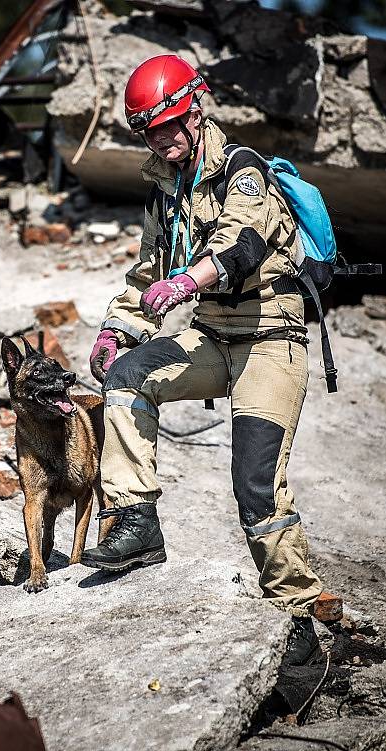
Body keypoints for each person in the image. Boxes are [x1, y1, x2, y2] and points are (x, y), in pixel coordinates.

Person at [81, 54, 323, 665]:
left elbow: (239, 244)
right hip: (215, 338)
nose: (162, 143)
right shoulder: (165, 192)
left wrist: (189, 282)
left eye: (170, 126)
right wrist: (117, 329)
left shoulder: (242, 171)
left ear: (195, 111)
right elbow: (146, 275)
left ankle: (299, 616)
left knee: (256, 483)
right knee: (127, 377)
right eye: (150, 132)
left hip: (272, 338)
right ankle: (136, 521)